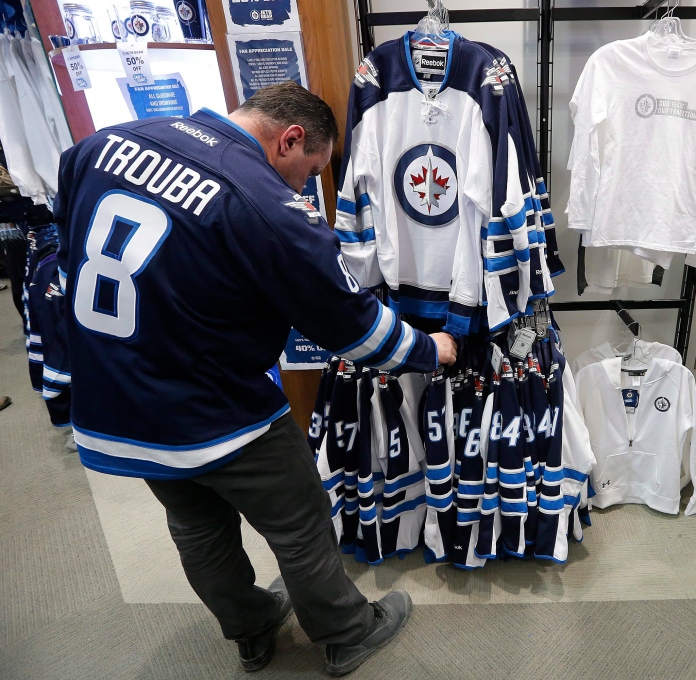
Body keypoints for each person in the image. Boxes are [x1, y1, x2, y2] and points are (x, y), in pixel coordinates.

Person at [53, 81, 457, 673]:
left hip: (116, 399)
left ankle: (249, 625)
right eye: (309, 170)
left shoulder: (102, 144)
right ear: (290, 138)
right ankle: (347, 631)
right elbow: (355, 329)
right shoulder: (265, 203)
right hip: (214, 406)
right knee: (299, 522)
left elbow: (67, 244)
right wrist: (429, 348)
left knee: (195, 524)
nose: (304, 185)